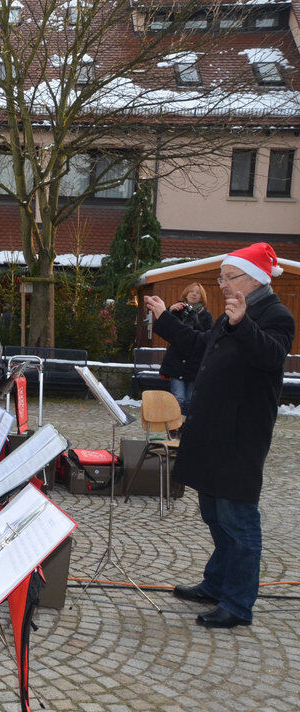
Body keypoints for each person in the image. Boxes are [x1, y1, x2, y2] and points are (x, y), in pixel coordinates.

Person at [145, 242, 295, 629]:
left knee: (238, 520)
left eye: (230, 278)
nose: (223, 285)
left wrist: (241, 324)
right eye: (222, 277)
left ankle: (238, 603)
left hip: (240, 437)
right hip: (212, 430)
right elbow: (199, 348)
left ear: (254, 279)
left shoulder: (276, 315)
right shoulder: (228, 314)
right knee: (213, 511)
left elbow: (271, 357)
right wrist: (166, 321)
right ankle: (216, 583)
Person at [159, 283, 213, 413]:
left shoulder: (206, 315)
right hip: (176, 361)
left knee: (190, 400)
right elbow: (163, 326)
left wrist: (195, 320)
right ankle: (174, 428)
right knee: (179, 398)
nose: (194, 294)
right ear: (186, 294)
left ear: (202, 297)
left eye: (197, 292)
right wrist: (169, 310)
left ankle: (186, 429)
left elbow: (207, 337)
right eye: (191, 292)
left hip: (195, 363)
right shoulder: (177, 310)